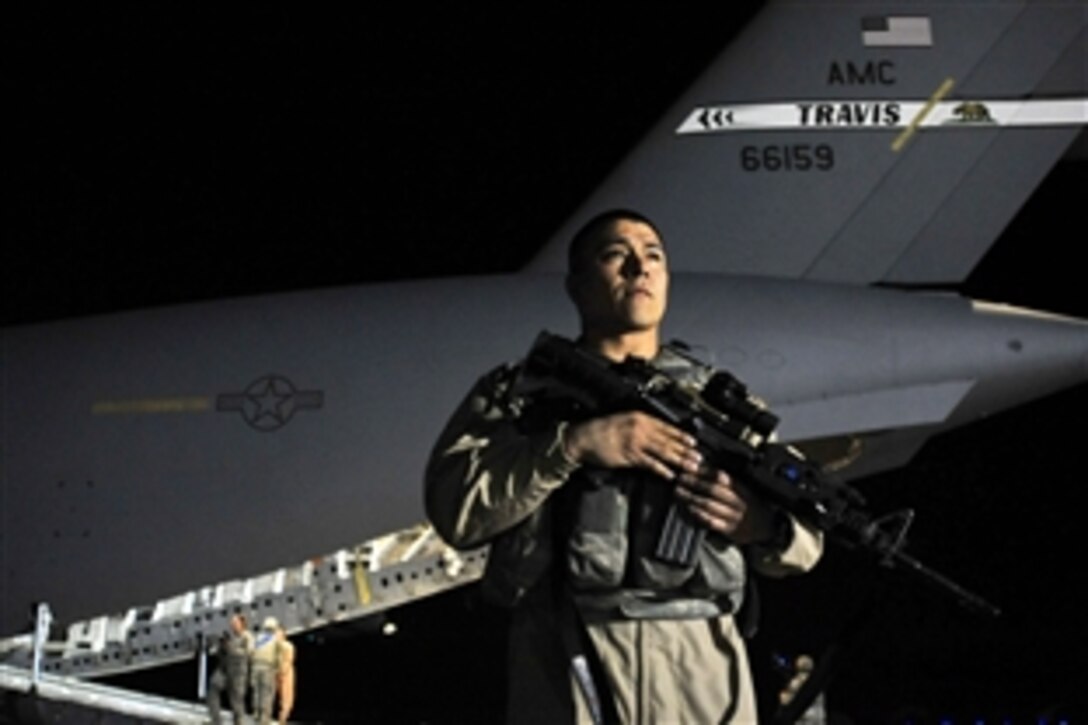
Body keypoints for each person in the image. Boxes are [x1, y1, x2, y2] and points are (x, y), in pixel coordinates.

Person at [424, 208, 824, 723]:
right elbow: (457, 511)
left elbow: (807, 534)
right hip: (564, 659)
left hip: (699, 663)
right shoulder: (522, 394)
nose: (640, 268)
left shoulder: (717, 404)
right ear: (576, 285)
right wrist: (574, 444)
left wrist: (762, 526)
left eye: (653, 256)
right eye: (616, 255)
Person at [206, 613, 254, 725]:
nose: (233, 625)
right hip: (225, 669)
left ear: (242, 624)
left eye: (235, 623)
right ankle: (216, 720)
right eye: (232, 623)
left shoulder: (247, 636)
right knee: (213, 688)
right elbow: (222, 652)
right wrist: (219, 647)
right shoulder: (230, 636)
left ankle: (238, 722)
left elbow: (250, 653)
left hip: (238, 673)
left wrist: (232, 649)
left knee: (236, 701)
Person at [250, 616, 282, 725]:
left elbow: (251, 652)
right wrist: (278, 668)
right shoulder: (275, 639)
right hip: (268, 668)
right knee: (267, 693)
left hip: (256, 667)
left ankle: (256, 714)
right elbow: (279, 656)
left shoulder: (258, 638)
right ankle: (264, 718)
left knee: (257, 692)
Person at [275, 623, 297, 725]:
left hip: (286, 673)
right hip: (277, 673)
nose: (276, 635)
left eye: (278, 633)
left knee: (287, 700)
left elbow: (289, 660)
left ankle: (282, 719)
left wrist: (282, 672)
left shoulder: (288, 646)